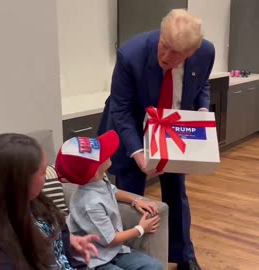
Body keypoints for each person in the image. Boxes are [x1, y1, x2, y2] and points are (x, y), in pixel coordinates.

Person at [98, 9, 214, 269]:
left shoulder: (206, 52)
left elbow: (202, 84)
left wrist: (203, 110)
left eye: (176, 54)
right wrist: (138, 152)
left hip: (171, 131)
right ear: (161, 34)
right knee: (132, 198)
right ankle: (131, 255)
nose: (165, 56)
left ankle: (184, 255)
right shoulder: (131, 54)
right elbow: (122, 109)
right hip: (131, 130)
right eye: (164, 46)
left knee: (176, 192)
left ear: (192, 52)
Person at [0, 133, 99, 270]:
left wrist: (65, 242)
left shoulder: (31, 201)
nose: (53, 174)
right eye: (43, 172)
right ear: (20, 182)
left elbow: (49, 234)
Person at [55, 131, 163, 270]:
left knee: (155, 266)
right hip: (94, 259)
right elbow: (110, 240)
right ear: (94, 170)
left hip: (113, 252)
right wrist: (141, 229)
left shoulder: (98, 179)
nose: (110, 153)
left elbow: (112, 190)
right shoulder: (90, 203)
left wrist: (135, 200)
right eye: (103, 154)